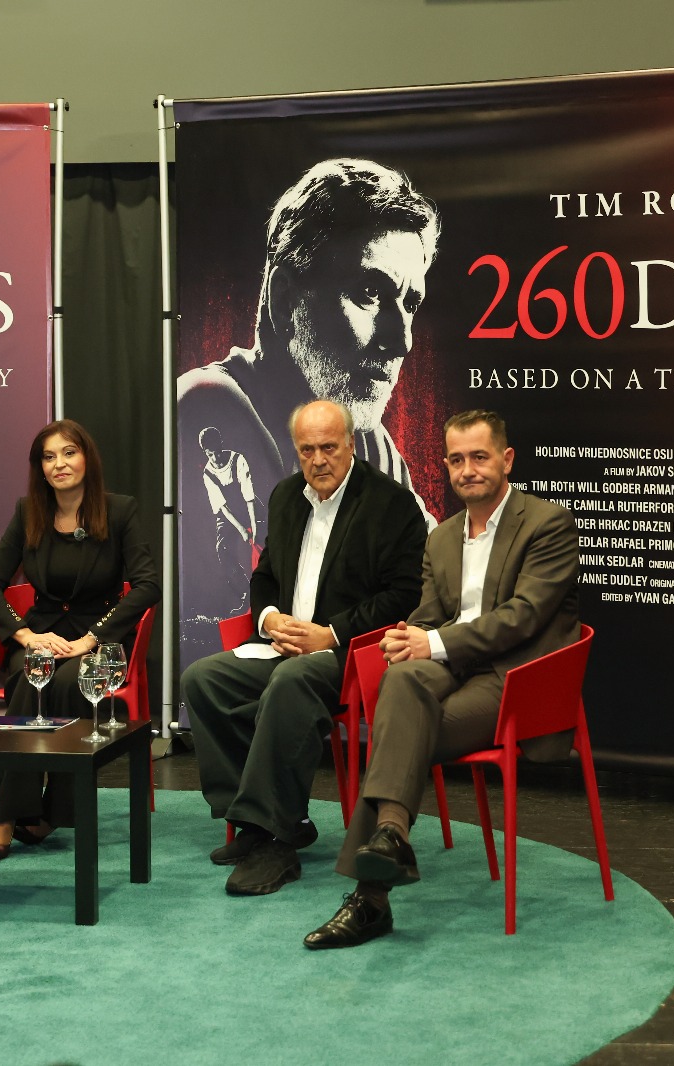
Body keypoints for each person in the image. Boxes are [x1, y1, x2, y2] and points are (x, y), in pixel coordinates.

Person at [304, 410, 580, 949]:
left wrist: (431, 643)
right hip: (453, 670)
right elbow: (429, 616)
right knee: (402, 681)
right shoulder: (443, 537)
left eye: (479, 457)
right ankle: (390, 838)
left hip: (517, 680)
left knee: (400, 733)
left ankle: (370, 898)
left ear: (507, 460)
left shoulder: (548, 523)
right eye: (456, 459)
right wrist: (408, 638)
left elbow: (523, 617)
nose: (467, 470)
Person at [176, 159, 440, 653]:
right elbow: (238, 603)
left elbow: (430, 570)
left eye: (410, 304)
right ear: (284, 300)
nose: (401, 340)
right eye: (370, 293)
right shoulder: (211, 403)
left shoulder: (370, 442)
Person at [181, 399, 426, 896]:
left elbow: (403, 596)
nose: (318, 460)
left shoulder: (391, 504)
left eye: (329, 448)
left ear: (351, 445)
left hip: (350, 655)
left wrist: (330, 634)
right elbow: (265, 576)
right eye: (307, 450)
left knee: (292, 681)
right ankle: (254, 821)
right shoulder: (287, 496)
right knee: (201, 679)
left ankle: (276, 838)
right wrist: (269, 618)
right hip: (284, 644)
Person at [0, 419, 159, 859]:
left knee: (65, 681)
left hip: (99, 638)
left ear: (86, 458)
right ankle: (16, 812)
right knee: (30, 675)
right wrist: (26, 636)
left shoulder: (120, 510)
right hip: (42, 635)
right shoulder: (28, 512)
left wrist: (92, 639)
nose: (59, 464)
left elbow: (148, 585)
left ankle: (37, 811)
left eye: (69, 453)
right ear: (40, 468)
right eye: (48, 457)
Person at [198, 426, 259, 616]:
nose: (215, 458)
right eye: (210, 455)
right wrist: (241, 529)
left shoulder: (238, 460)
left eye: (217, 452)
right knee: (222, 549)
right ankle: (247, 593)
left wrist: (253, 525)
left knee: (264, 543)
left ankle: (266, 593)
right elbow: (222, 507)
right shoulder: (208, 473)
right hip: (228, 515)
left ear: (221, 445)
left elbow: (249, 496)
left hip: (248, 508)